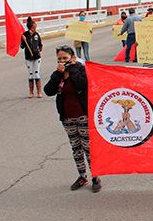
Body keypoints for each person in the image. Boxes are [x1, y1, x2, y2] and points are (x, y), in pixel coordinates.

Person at [44, 45, 101, 193]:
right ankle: (82, 175)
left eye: (65, 58)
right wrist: (58, 74)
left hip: (83, 115)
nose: (62, 61)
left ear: (73, 58)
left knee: (88, 148)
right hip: (67, 117)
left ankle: (95, 176)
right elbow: (48, 91)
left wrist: (73, 69)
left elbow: (83, 85)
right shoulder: (58, 74)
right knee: (76, 148)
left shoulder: (80, 70)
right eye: (60, 59)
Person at [21, 17, 43, 98]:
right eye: (34, 27)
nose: (35, 28)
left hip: (37, 57)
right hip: (28, 58)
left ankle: (39, 92)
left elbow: (40, 44)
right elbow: (22, 46)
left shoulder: (37, 34)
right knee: (31, 74)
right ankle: (31, 92)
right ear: (31, 27)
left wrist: (38, 50)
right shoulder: (25, 35)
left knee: (36, 74)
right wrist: (23, 40)